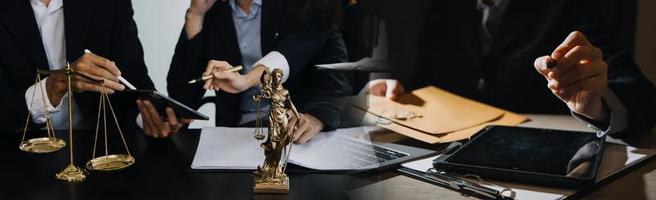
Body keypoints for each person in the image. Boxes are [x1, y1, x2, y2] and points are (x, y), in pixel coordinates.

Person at [363, 0, 656, 136]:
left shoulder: (567, 8)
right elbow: (427, 84)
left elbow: (641, 94)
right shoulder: (445, 9)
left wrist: (595, 104)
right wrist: (396, 95)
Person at [168, 0, 352, 143]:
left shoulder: (304, 6)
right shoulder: (215, 10)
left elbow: (336, 72)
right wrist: (195, 15)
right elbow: (182, 98)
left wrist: (316, 116)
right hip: (236, 135)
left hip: (294, 128)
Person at [0, 0, 187, 136]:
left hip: (100, 147)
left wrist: (146, 117)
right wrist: (51, 88)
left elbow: (132, 76)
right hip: (18, 151)